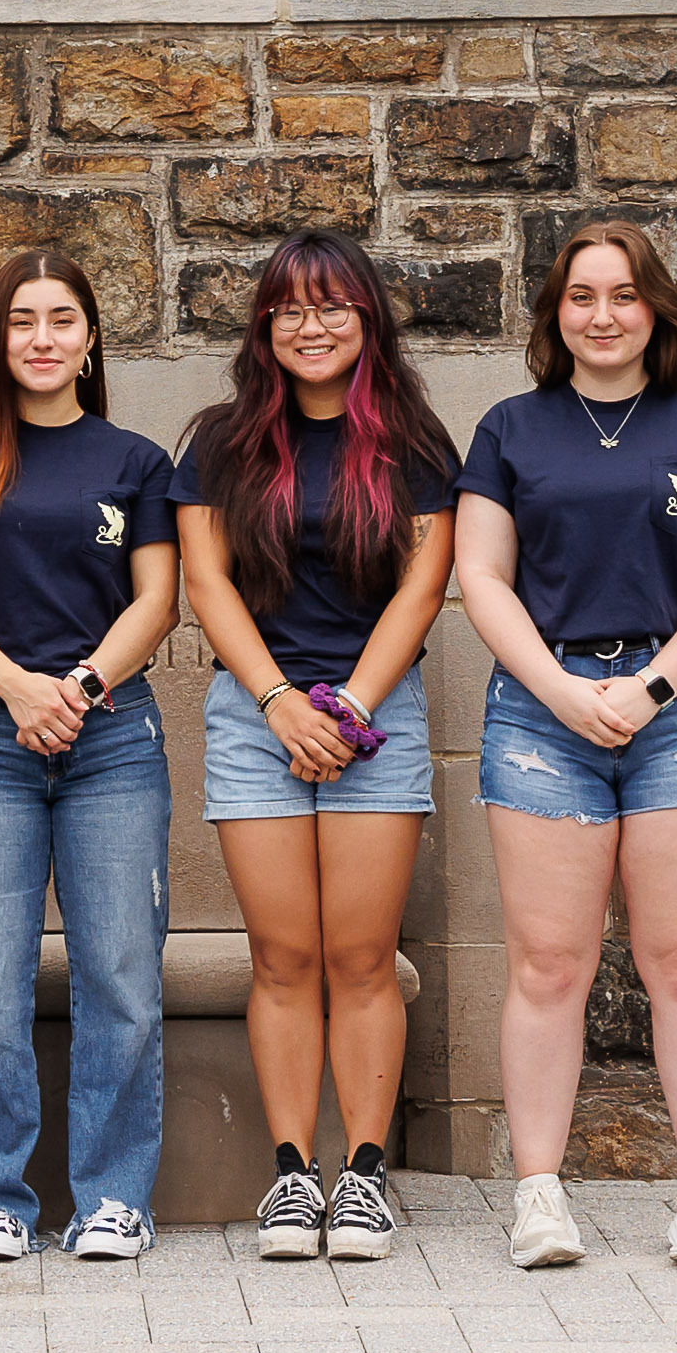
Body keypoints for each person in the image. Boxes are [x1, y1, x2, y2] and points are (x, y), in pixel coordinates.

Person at [453, 224, 677, 1273]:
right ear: (556, 313)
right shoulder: (509, 430)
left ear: (657, 311)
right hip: (541, 706)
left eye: (624, 295)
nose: (602, 315)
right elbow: (482, 578)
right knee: (549, 965)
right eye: (582, 296)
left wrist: (647, 690)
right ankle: (541, 1196)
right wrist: (559, 688)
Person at [169, 233, 456, 1262]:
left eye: (334, 306)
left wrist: (347, 710)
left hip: (378, 719)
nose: (312, 325)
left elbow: (425, 589)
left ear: (367, 319)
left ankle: (366, 1176)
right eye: (291, 309)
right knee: (285, 957)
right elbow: (205, 586)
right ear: (265, 328)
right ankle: (293, 1179)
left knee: (362, 955)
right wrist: (283, 701)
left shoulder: (416, 445)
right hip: (257, 716)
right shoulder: (217, 442)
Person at [0, 249, 183, 1261]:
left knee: (118, 970)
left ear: (91, 338)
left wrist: (81, 687)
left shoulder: (136, 460)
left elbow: (159, 599)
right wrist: (20, 688)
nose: (43, 339)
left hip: (112, 737)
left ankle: (113, 1198)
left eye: (62, 319)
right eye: (23, 320)